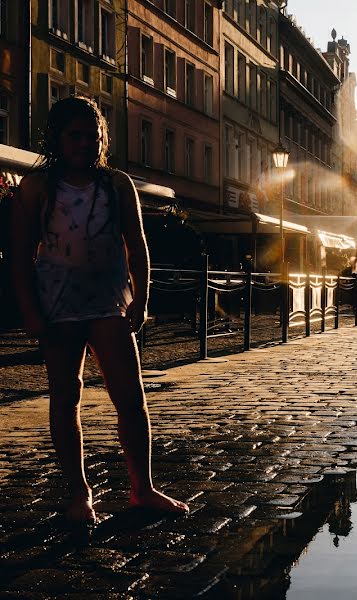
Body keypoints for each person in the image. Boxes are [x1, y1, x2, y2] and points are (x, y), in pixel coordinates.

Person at [9, 97, 189, 522]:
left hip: (109, 302)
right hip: (57, 304)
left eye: (94, 136)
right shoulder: (36, 187)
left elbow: (137, 245)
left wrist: (142, 298)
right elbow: (18, 255)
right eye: (76, 135)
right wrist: (30, 311)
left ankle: (142, 489)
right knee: (65, 398)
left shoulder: (116, 184)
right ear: (57, 137)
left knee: (131, 398)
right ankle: (79, 493)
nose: (86, 144)